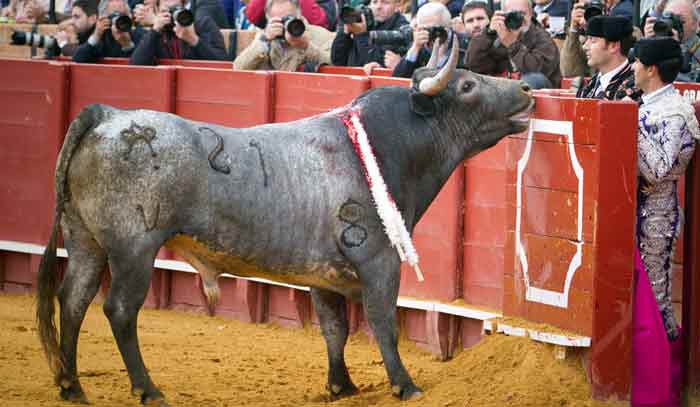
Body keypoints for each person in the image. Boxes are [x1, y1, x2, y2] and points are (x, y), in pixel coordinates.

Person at [631, 36, 699, 342]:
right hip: (636, 212)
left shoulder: (674, 113)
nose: (632, 67)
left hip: (656, 217)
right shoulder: (648, 104)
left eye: (636, 62)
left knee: (655, 298)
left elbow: (658, 171)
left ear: (651, 70)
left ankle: (665, 373)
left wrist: (628, 124)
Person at [463, 0, 561, 87]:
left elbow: (538, 72)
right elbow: (473, 64)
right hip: (504, 95)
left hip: (539, 99)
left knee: (532, 79)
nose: (518, 18)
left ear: (531, 13)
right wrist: (488, 34)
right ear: (503, 15)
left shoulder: (542, 38)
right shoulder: (497, 35)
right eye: (512, 14)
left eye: (522, 14)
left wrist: (512, 44)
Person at [233, 0, 333, 70]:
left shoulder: (319, 35)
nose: (285, 25)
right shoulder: (265, 37)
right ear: (269, 20)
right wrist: (263, 42)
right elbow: (238, 67)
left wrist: (306, 47)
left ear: (299, 15)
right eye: (279, 21)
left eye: (289, 19)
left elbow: (335, 65)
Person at [129, 0, 227, 65]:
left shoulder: (202, 24)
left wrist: (194, 40)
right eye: (165, 11)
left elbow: (222, 63)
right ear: (157, 11)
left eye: (175, 10)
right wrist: (155, 30)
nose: (171, 16)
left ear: (185, 7)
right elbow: (135, 65)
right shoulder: (157, 32)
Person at [391, 2, 464, 78]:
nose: (429, 33)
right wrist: (415, 48)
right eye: (423, 29)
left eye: (432, 29)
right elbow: (398, 78)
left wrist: (440, 58)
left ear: (447, 26)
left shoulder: (463, 44)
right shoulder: (420, 45)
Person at [331, 0, 408, 68]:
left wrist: (361, 35)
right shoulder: (365, 20)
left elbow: (374, 62)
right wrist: (344, 34)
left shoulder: (401, 29)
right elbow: (337, 61)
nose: (378, 7)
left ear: (397, 5)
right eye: (374, 2)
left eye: (385, 2)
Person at [575, 15, 638, 100]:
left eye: (593, 40)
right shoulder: (590, 85)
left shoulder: (634, 86)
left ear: (613, 46)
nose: (585, 47)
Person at [642, 0, 700, 82]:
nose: (673, 24)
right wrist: (647, 44)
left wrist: (675, 49)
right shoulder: (657, 43)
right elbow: (640, 78)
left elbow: (687, 87)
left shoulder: (697, 49)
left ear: (695, 24)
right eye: (668, 18)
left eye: (680, 20)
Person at [73, 0, 145, 63]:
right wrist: (96, 37)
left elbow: (142, 65)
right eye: (114, 15)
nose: (120, 20)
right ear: (103, 18)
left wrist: (128, 45)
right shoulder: (102, 36)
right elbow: (78, 59)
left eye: (123, 15)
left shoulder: (141, 35)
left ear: (130, 16)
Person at [461, 1, 509, 75]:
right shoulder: (460, 46)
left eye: (480, 18)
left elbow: (476, 65)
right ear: (464, 26)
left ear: (490, 20)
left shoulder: (504, 40)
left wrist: (489, 33)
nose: (476, 25)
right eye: (470, 21)